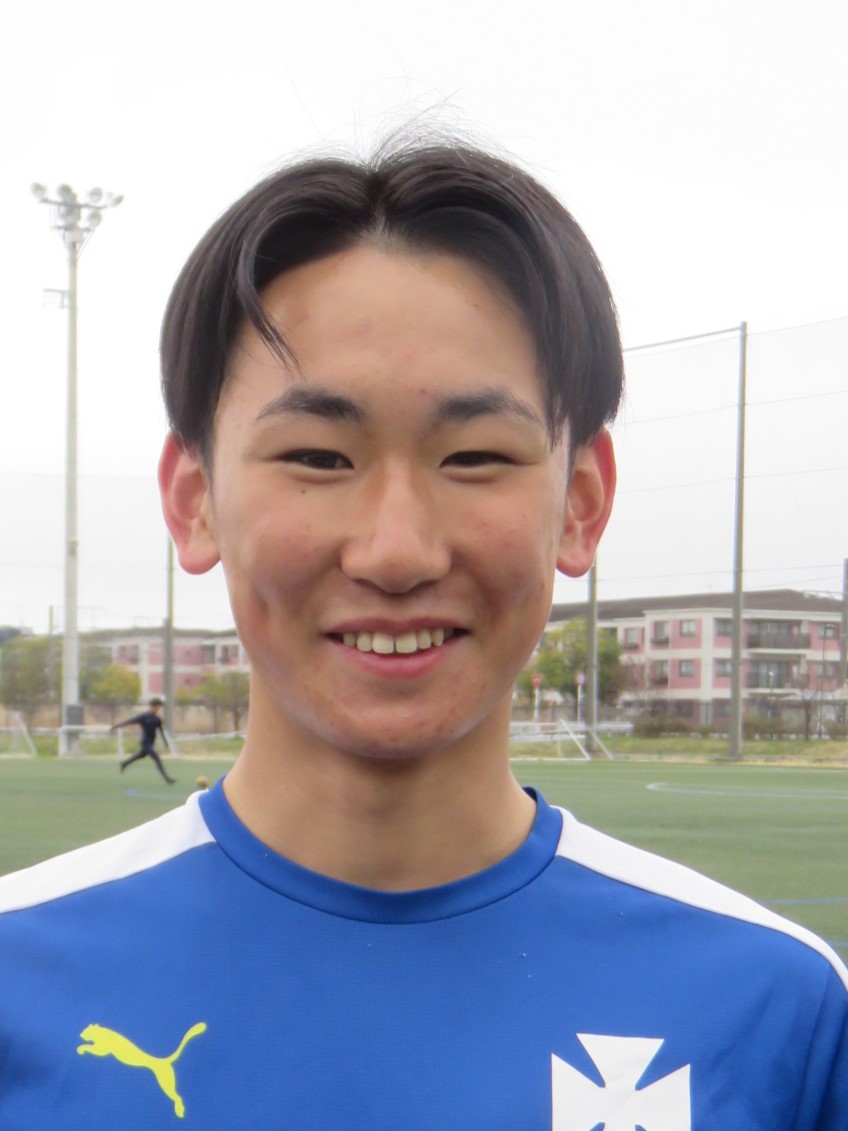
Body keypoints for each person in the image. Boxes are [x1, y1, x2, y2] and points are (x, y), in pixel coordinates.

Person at [0, 137, 845, 1130]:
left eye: (475, 456)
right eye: (318, 456)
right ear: (194, 501)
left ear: (580, 503)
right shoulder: (20, 982)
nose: (395, 551)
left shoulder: (774, 1011)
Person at [111, 697, 176, 784]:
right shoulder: (144, 717)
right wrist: (115, 726)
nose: (158, 709)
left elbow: (161, 731)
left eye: (159, 707)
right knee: (156, 758)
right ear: (153, 706)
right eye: (157, 707)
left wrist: (165, 742)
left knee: (140, 755)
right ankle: (167, 779)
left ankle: (124, 763)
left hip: (151, 743)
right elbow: (130, 721)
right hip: (145, 742)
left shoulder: (157, 719)